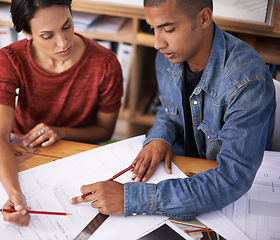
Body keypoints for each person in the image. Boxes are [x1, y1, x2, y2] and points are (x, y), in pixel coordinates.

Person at [71, 0, 276, 220]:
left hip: (225, 201)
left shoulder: (247, 82)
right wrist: (160, 136)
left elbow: (231, 180)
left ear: (204, 18)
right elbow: (168, 110)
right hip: (181, 173)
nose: (157, 43)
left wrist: (133, 197)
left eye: (168, 29)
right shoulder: (169, 55)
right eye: (153, 28)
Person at [0, 0, 123, 226]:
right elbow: (0, 136)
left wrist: (61, 132)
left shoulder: (105, 63)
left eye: (67, 25)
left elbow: (104, 131)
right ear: (26, 33)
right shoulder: (11, 59)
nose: (63, 43)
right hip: (26, 152)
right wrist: (14, 194)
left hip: (79, 155)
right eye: (47, 35)